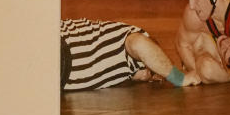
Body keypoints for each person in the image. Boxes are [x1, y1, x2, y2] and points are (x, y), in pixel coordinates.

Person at [61, 18, 199, 91]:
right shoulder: (126, 39)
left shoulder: (102, 35)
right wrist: (179, 78)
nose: (148, 77)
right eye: (151, 72)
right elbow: (139, 43)